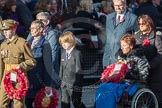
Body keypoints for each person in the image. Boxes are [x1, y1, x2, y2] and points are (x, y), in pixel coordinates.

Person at [96, 34, 149, 108]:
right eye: (121, 45)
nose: (121, 48)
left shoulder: (139, 57)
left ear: (131, 46)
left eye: (124, 45)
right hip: (121, 82)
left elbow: (144, 75)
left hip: (133, 83)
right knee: (103, 87)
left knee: (110, 89)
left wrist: (127, 72)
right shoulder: (121, 57)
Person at [0, 19, 36, 108]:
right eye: (3, 30)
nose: (5, 32)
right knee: (2, 103)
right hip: (6, 75)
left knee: (18, 104)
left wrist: (21, 66)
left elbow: (32, 61)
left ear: (14, 29)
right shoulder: (3, 45)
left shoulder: (22, 43)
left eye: (7, 30)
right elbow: (1, 65)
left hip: (19, 76)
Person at [134, 14, 162, 107]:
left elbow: (160, 54)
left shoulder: (156, 37)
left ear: (149, 24)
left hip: (154, 71)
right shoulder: (136, 36)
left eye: (143, 23)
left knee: (156, 96)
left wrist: (150, 64)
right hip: (140, 70)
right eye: (139, 23)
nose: (140, 25)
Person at [27, 12, 60, 89]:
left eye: (40, 20)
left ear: (47, 22)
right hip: (32, 69)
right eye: (36, 20)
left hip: (45, 69)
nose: (37, 22)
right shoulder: (33, 32)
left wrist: (49, 70)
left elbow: (53, 53)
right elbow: (26, 46)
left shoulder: (51, 34)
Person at [25, 20, 53, 108]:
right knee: (28, 102)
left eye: (34, 28)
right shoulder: (27, 42)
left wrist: (47, 84)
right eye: (31, 28)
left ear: (41, 29)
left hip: (39, 79)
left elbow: (48, 66)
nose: (31, 30)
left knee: (39, 104)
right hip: (28, 78)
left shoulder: (45, 44)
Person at [102, 0, 138, 68]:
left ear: (125, 5)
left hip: (123, 59)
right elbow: (108, 39)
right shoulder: (108, 17)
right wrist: (105, 61)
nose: (118, 7)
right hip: (108, 59)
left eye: (120, 5)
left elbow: (136, 40)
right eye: (115, 5)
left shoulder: (133, 18)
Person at [59, 31, 85, 108]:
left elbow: (79, 71)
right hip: (64, 84)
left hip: (74, 85)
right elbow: (62, 68)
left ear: (71, 41)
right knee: (64, 103)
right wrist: (60, 81)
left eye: (65, 42)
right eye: (62, 43)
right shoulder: (63, 53)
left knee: (76, 103)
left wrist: (77, 85)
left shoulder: (77, 53)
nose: (63, 44)